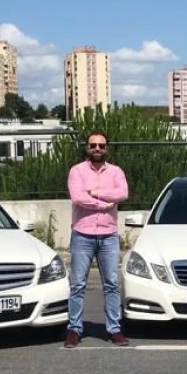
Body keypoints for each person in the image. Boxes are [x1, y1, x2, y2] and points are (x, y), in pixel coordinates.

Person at [65, 131, 130, 348]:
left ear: (107, 148)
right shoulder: (77, 171)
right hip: (82, 234)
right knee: (78, 285)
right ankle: (74, 329)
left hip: (108, 235)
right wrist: (102, 203)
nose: (97, 149)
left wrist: (95, 191)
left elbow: (123, 193)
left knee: (111, 284)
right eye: (93, 145)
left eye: (101, 145)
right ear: (86, 147)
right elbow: (77, 197)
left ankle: (114, 329)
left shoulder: (116, 171)